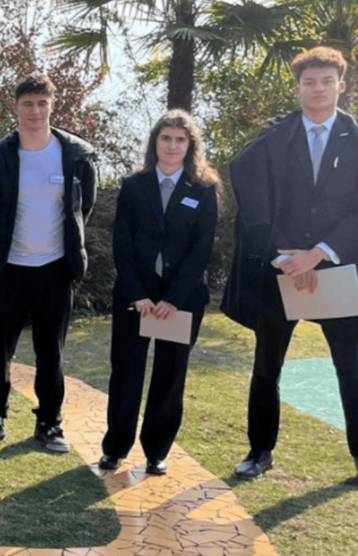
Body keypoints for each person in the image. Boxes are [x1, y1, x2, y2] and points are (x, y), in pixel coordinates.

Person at [223, 47, 358, 489]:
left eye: (326, 81)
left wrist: (318, 253)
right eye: (309, 82)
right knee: (267, 365)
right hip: (281, 268)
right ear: (298, 88)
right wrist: (282, 256)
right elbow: (256, 200)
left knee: (352, 367)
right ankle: (259, 452)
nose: (317, 89)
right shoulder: (273, 139)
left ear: (341, 85)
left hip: (335, 268)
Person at [0, 73, 97, 454]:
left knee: (51, 353)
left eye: (42, 103)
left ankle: (49, 423)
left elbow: (83, 208)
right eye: (28, 103)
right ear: (16, 107)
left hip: (55, 270)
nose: (35, 111)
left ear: (52, 105)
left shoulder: (77, 157)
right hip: (8, 269)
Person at [98, 110, 219, 475]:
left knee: (170, 376)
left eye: (180, 139)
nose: (172, 145)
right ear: (155, 142)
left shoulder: (204, 190)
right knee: (126, 372)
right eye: (165, 138)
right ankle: (115, 447)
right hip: (136, 298)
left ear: (190, 146)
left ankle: (157, 451)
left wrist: (173, 300)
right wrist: (137, 294)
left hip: (181, 300)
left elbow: (202, 251)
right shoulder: (134, 186)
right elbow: (122, 244)